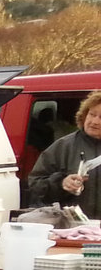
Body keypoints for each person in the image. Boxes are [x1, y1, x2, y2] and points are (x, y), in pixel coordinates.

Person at [26, 91, 101, 219]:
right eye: (92, 114)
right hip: (73, 229)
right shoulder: (63, 146)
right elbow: (35, 185)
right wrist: (61, 184)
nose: (94, 121)